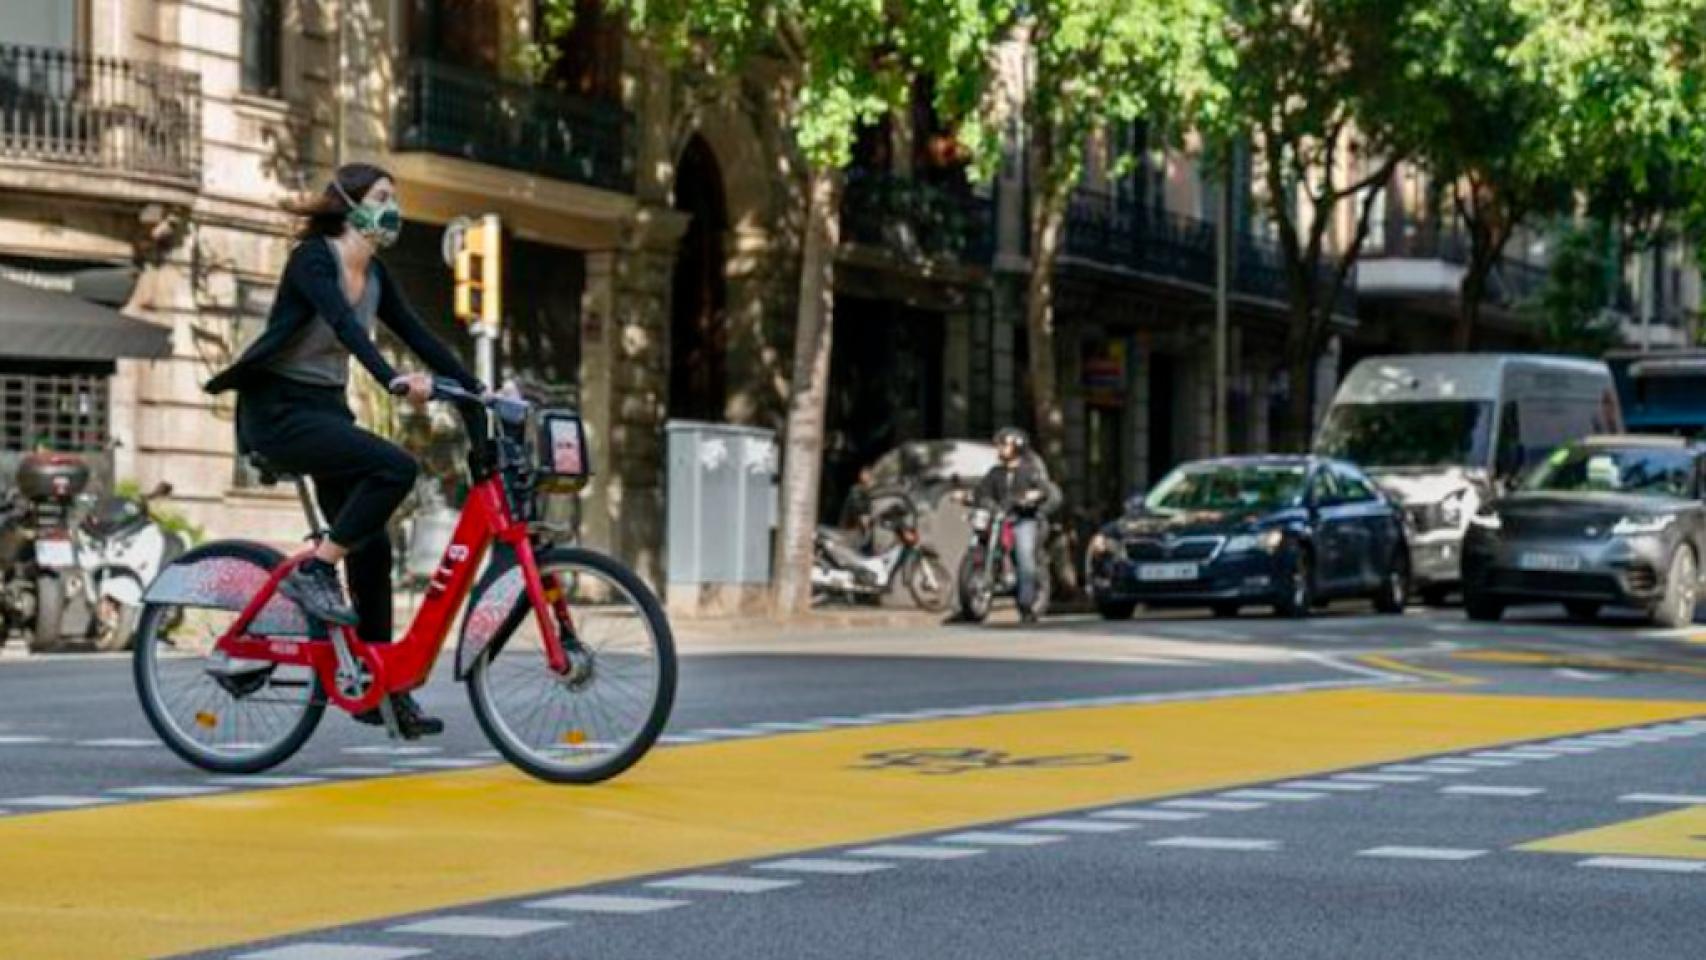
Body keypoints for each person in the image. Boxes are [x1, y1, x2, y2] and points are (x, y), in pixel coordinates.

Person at [204, 162, 483, 736]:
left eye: (395, 199)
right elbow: (343, 325)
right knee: (395, 466)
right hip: (279, 412)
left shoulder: (376, 275)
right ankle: (316, 570)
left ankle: (380, 690)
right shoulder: (316, 258)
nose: (392, 209)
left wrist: (479, 391)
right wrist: (390, 379)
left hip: (326, 412)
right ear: (349, 203)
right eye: (382, 197)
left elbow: (421, 336)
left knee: (373, 547)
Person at [973, 427, 1060, 623]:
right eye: (1000, 445)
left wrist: (1032, 496)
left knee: (1024, 555)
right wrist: (973, 497)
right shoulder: (995, 473)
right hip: (999, 519)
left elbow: (1043, 490)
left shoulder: (1030, 471)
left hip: (1023, 519)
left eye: (1004, 444)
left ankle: (1026, 603)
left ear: (1017, 447)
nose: (1000, 449)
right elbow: (982, 491)